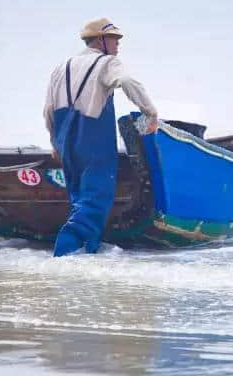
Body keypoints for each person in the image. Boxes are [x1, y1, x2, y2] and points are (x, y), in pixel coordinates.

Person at [43, 18, 158, 257]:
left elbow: (48, 110)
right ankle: (64, 254)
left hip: (66, 143)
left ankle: (89, 254)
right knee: (95, 202)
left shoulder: (61, 67)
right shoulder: (106, 63)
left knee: (79, 202)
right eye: (115, 39)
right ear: (100, 40)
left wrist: (55, 142)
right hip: (94, 143)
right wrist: (150, 113)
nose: (118, 45)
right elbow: (127, 81)